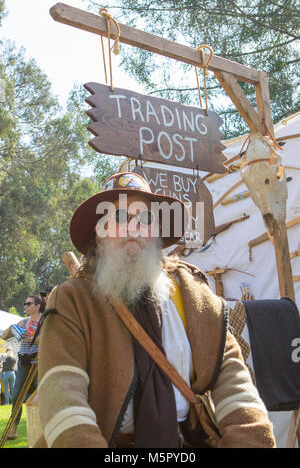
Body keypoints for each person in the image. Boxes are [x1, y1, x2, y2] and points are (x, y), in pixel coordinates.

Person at [35, 171, 276, 448]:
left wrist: (251, 440)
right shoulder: (71, 300)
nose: (133, 227)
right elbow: (62, 395)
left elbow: (234, 381)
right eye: (119, 217)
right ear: (98, 236)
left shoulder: (193, 294)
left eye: (145, 218)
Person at [1, 295, 44, 439]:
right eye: (24, 304)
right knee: (16, 394)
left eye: (28, 303)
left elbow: (48, 340)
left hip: (38, 361)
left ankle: (44, 429)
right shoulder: (23, 321)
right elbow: (5, 337)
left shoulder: (45, 320)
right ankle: (13, 430)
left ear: (37, 306)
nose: (25, 306)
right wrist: (13, 330)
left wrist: (34, 339)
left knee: (41, 395)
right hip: (23, 362)